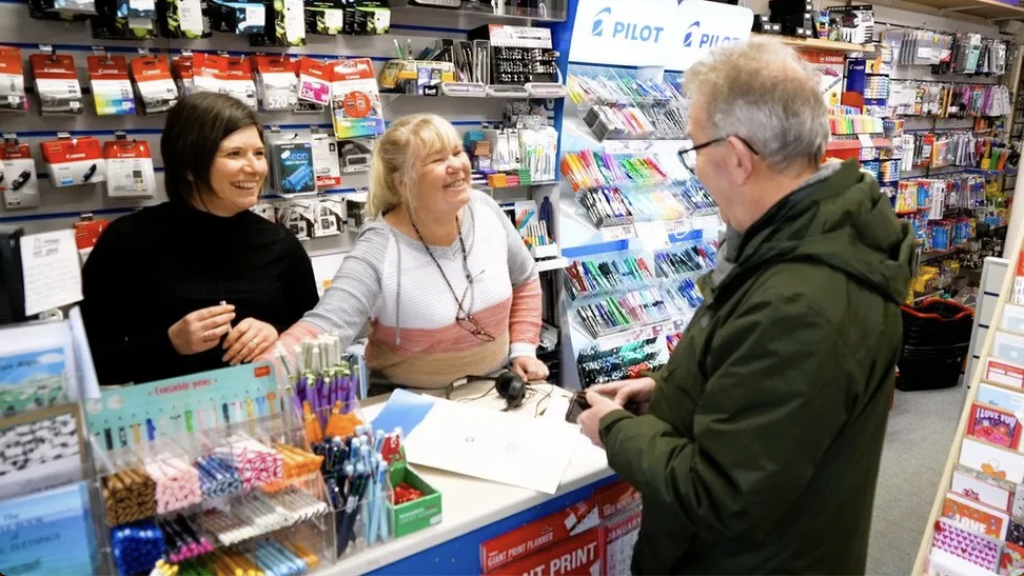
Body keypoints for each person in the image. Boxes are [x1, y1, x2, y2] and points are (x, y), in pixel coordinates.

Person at [577, 37, 913, 575]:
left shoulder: (801, 299)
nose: (695, 172)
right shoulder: (797, 246)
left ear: (735, 158)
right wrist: (670, 393)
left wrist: (616, 430)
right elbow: (774, 412)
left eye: (693, 150)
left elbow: (724, 494)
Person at [274, 113, 547, 390]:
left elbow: (525, 278)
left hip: (494, 391)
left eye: (456, 152)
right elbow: (325, 327)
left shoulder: (485, 209)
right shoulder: (379, 247)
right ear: (403, 183)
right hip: (412, 409)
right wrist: (253, 381)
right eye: (438, 160)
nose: (456, 165)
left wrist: (523, 348)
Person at [82, 92, 318, 386]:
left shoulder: (280, 242)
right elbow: (91, 361)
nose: (255, 167)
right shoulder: (128, 241)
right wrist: (170, 343)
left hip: (268, 415)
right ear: (190, 167)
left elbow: (315, 335)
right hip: (167, 421)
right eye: (234, 154)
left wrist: (278, 333)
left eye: (258, 153)